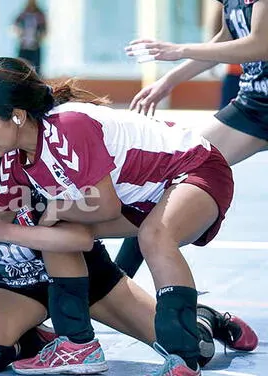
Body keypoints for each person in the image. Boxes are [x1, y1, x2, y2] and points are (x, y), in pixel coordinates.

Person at [0, 99, 257, 374]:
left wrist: (8, 228)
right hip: (16, 287)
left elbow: (78, 238)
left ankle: (207, 319)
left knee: (194, 350)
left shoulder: (34, 175)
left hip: (86, 280)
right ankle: (44, 336)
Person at [0, 57, 239, 376]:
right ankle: (78, 346)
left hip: (193, 169)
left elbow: (106, 208)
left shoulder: (67, 126)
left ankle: (184, 358)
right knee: (56, 232)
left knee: (154, 236)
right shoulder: (16, 157)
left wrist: (55, 208)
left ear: (17, 116)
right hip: (141, 198)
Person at [117, 0, 266, 356]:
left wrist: (177, 49)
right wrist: (169, 81)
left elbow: (260, 43)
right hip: (253, 106)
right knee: (172, 176)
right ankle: (112, 282)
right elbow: (226, 40)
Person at [13, 0, 47, 75]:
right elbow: (15, 25)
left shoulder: (40, 15)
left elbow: (44, 29)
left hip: (35, 45)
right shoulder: (23, 15)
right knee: (21, 68)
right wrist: (19, 33)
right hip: (24, 45)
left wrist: (40, 37)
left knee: (37, 69)